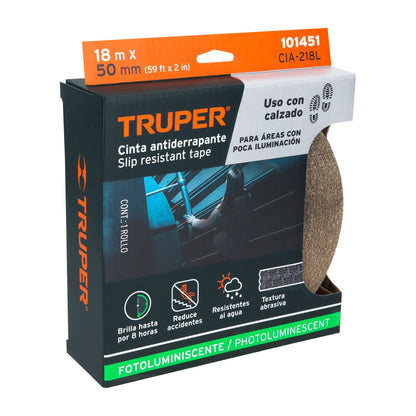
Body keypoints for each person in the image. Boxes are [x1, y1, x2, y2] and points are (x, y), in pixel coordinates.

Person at [185, 167, 252, 259]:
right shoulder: (248, 196)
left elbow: (206, 225)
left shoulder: (222, 209)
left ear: (227, 182)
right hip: (242, 239)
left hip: (225, 244)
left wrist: (194, 221)